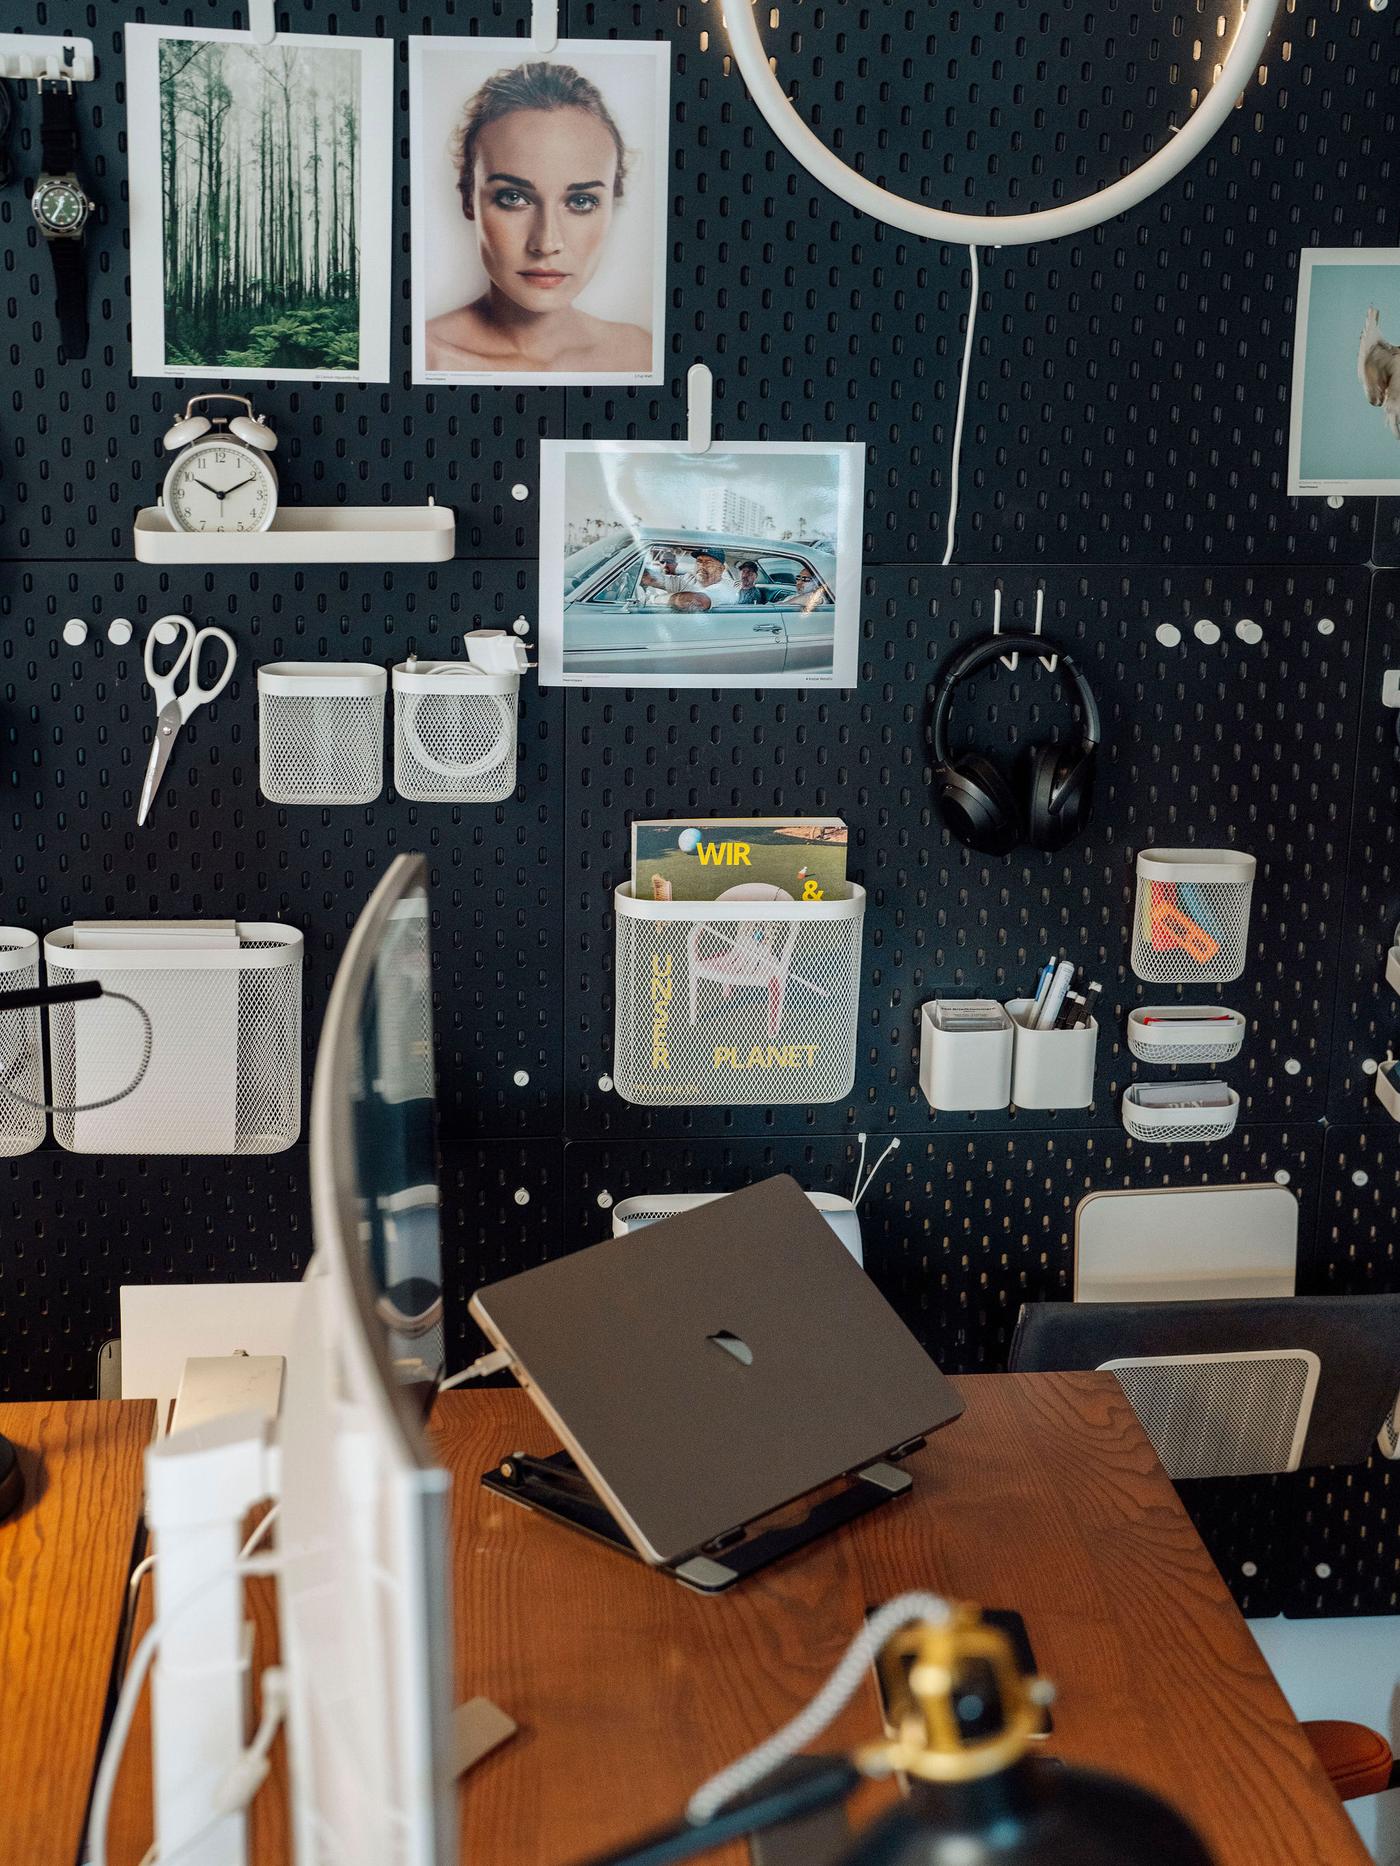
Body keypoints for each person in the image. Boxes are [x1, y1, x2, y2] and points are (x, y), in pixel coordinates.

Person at [424, 62, 651, 375]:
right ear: (468, 198)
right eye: (513, 198)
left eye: (581, 201)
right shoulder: (425, 358)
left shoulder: (641, 355)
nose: (546, 243)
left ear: (612, 202)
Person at [641, 545, 738, 610]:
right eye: (699, 561)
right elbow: (653, 579)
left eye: (708, 562)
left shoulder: (725, 590)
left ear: (721, 569)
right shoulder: (688, 579)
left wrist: (653, 600)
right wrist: (639, 572)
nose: (702, 566)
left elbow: (695, 600)